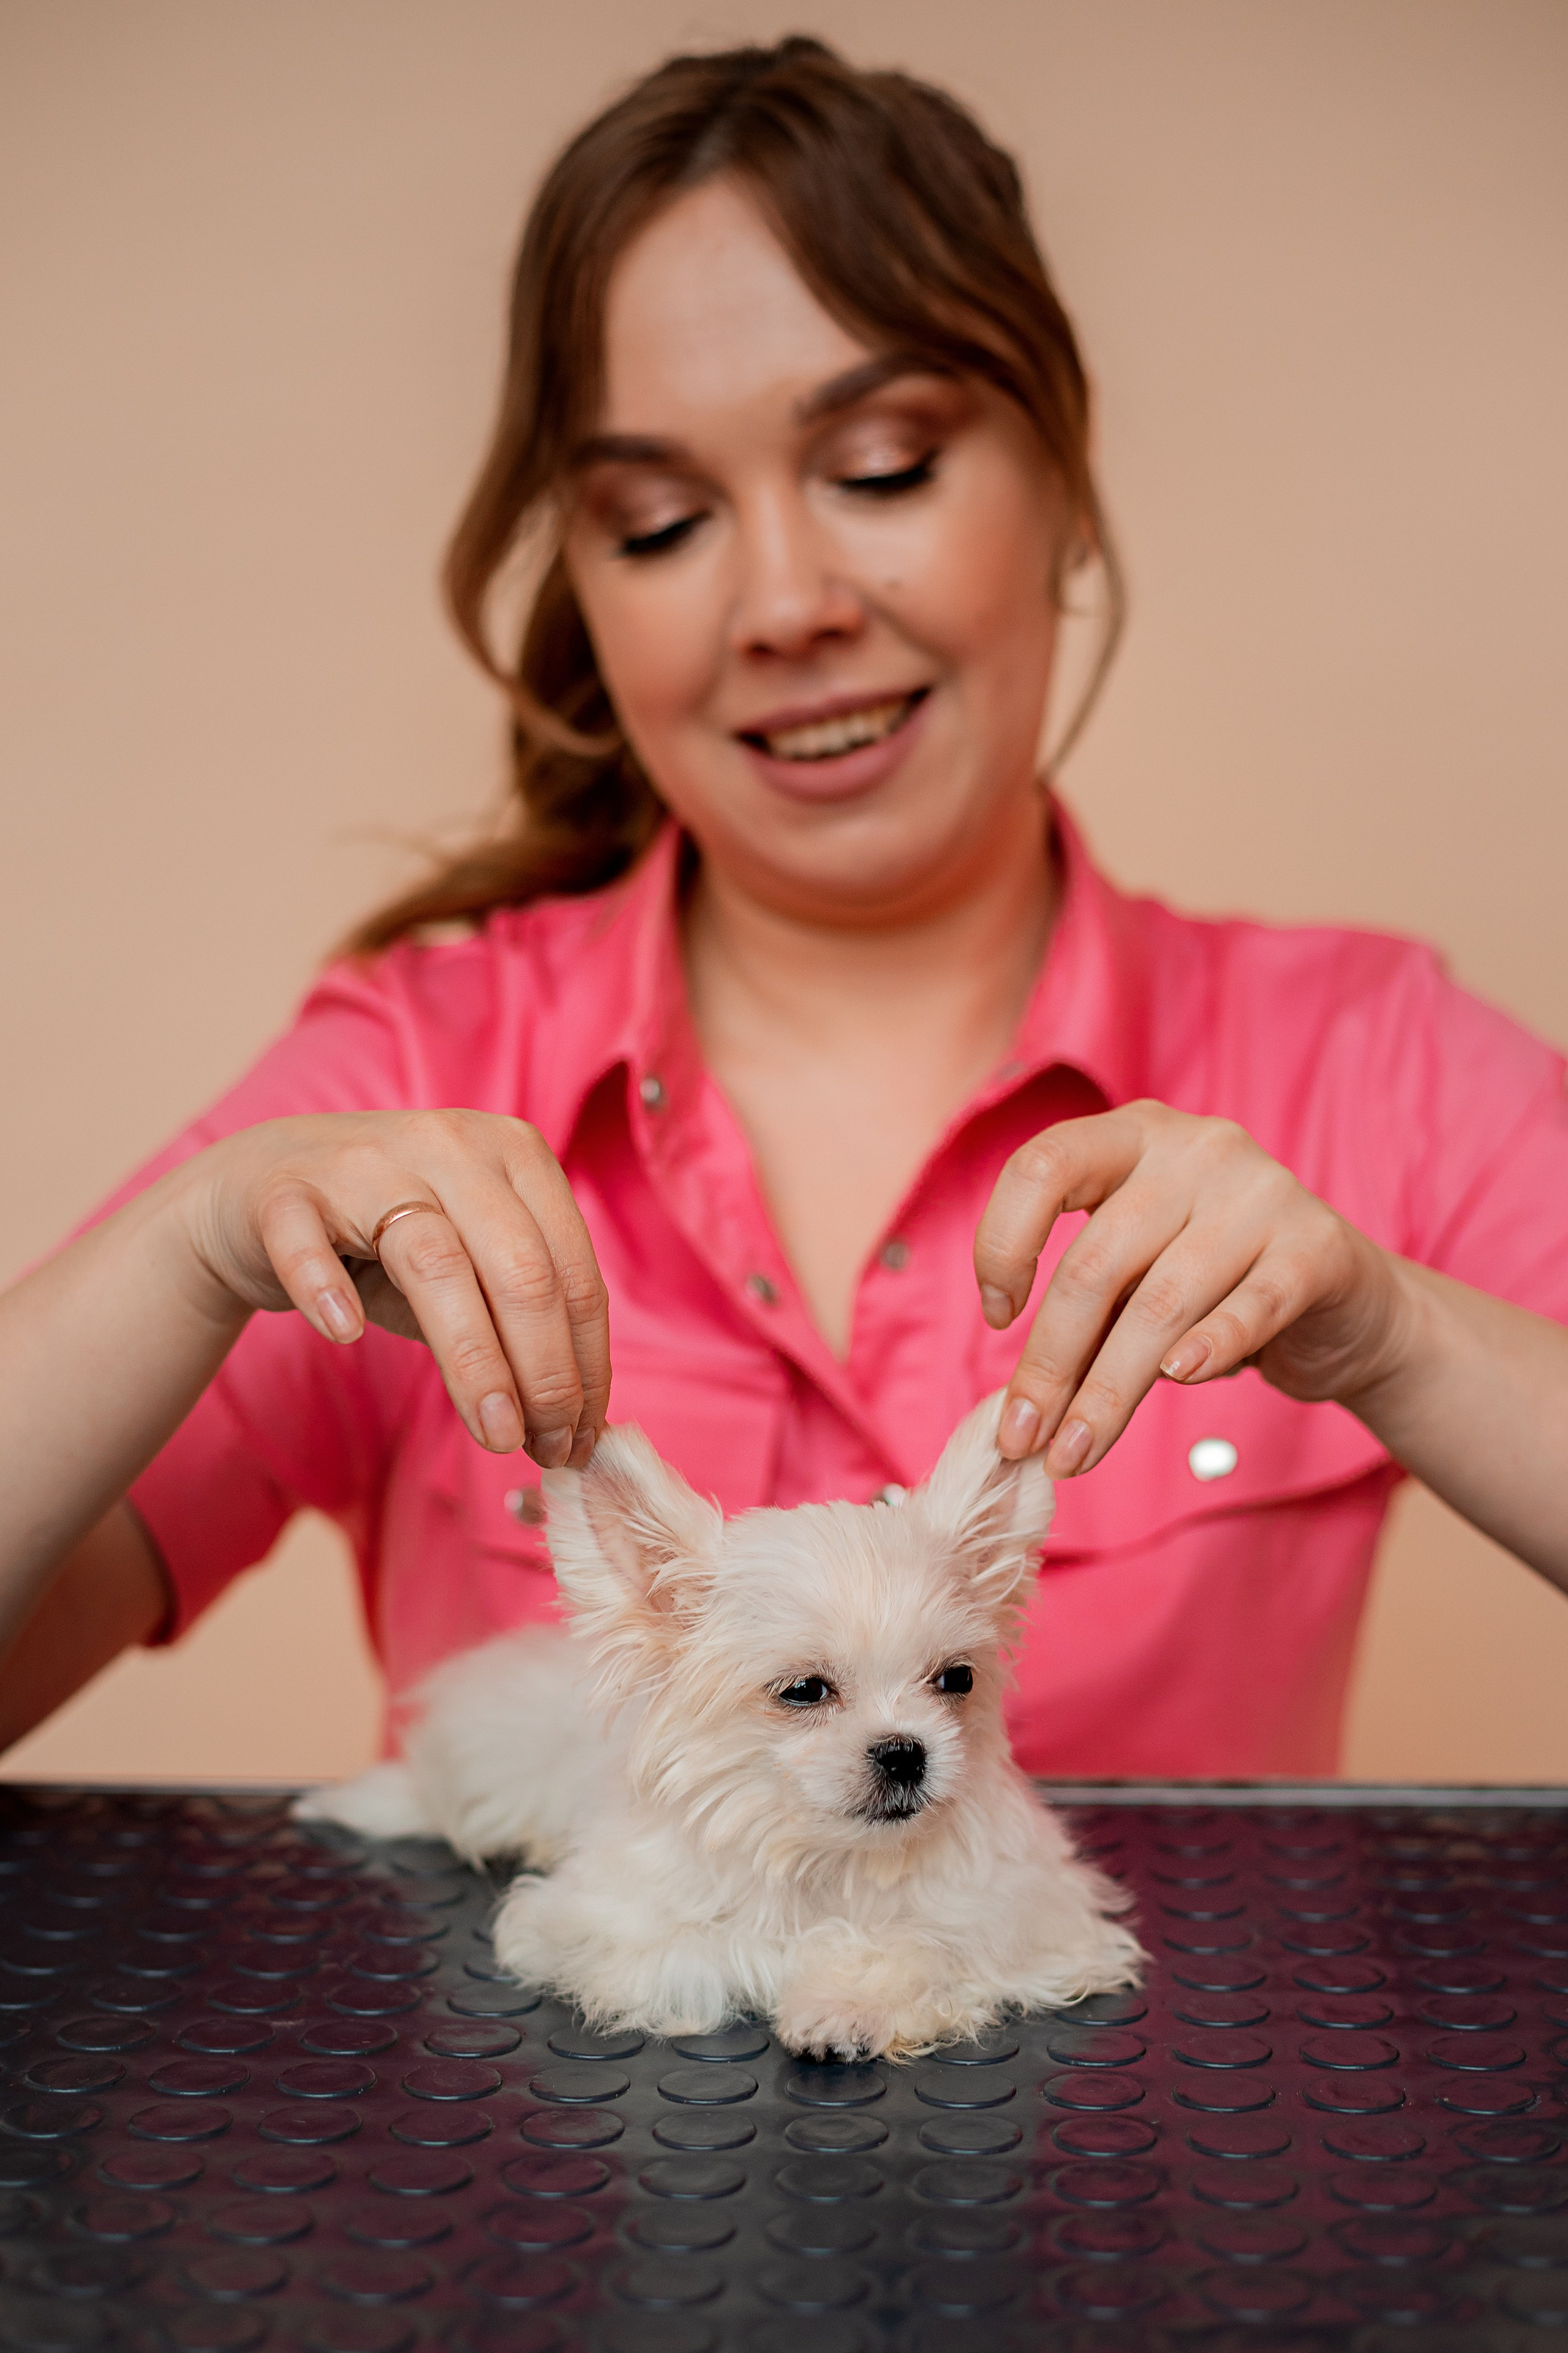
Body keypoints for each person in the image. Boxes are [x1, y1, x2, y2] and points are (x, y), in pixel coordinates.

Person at [2, 37, 1566, 1778]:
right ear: (585, 590)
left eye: (882, 467)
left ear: (1061, 476)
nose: (785, 601)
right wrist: (184, 1252)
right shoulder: (410, 1079)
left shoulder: (1368, 1059)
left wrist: (1400, 1334)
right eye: (660, 521)